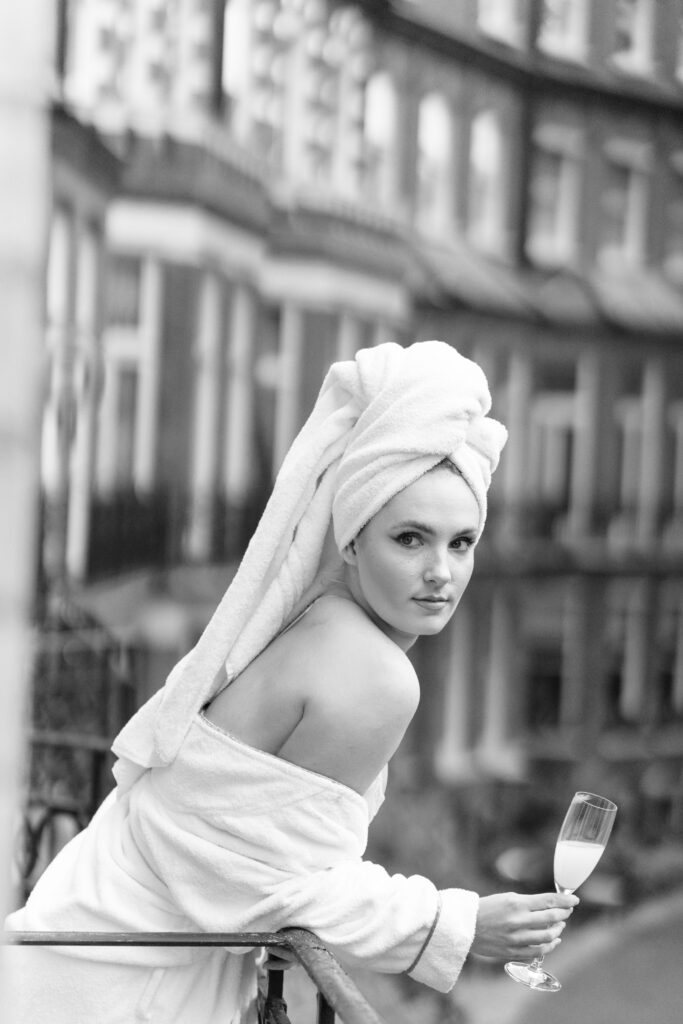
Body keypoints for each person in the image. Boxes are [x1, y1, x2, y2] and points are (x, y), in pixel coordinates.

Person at [5, 340, 578, 1024]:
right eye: (409, 539)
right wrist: (456, 923)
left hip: (70, 947)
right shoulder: (377, 677)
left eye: (461, 542)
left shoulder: (312, 620)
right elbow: (270, 886)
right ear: (351, 540)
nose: (440, 573)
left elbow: (249, 861)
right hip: (112, 990)